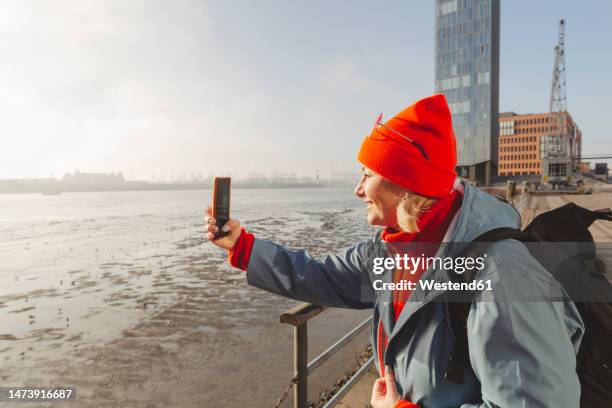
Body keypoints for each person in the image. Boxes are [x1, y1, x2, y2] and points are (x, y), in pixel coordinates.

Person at [204, 94, 584, 407]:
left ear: (405, 185)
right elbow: (320, 275)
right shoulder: (392, 249)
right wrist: (244, 247)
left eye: (367, 175)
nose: (357, 190)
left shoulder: (503, 279)